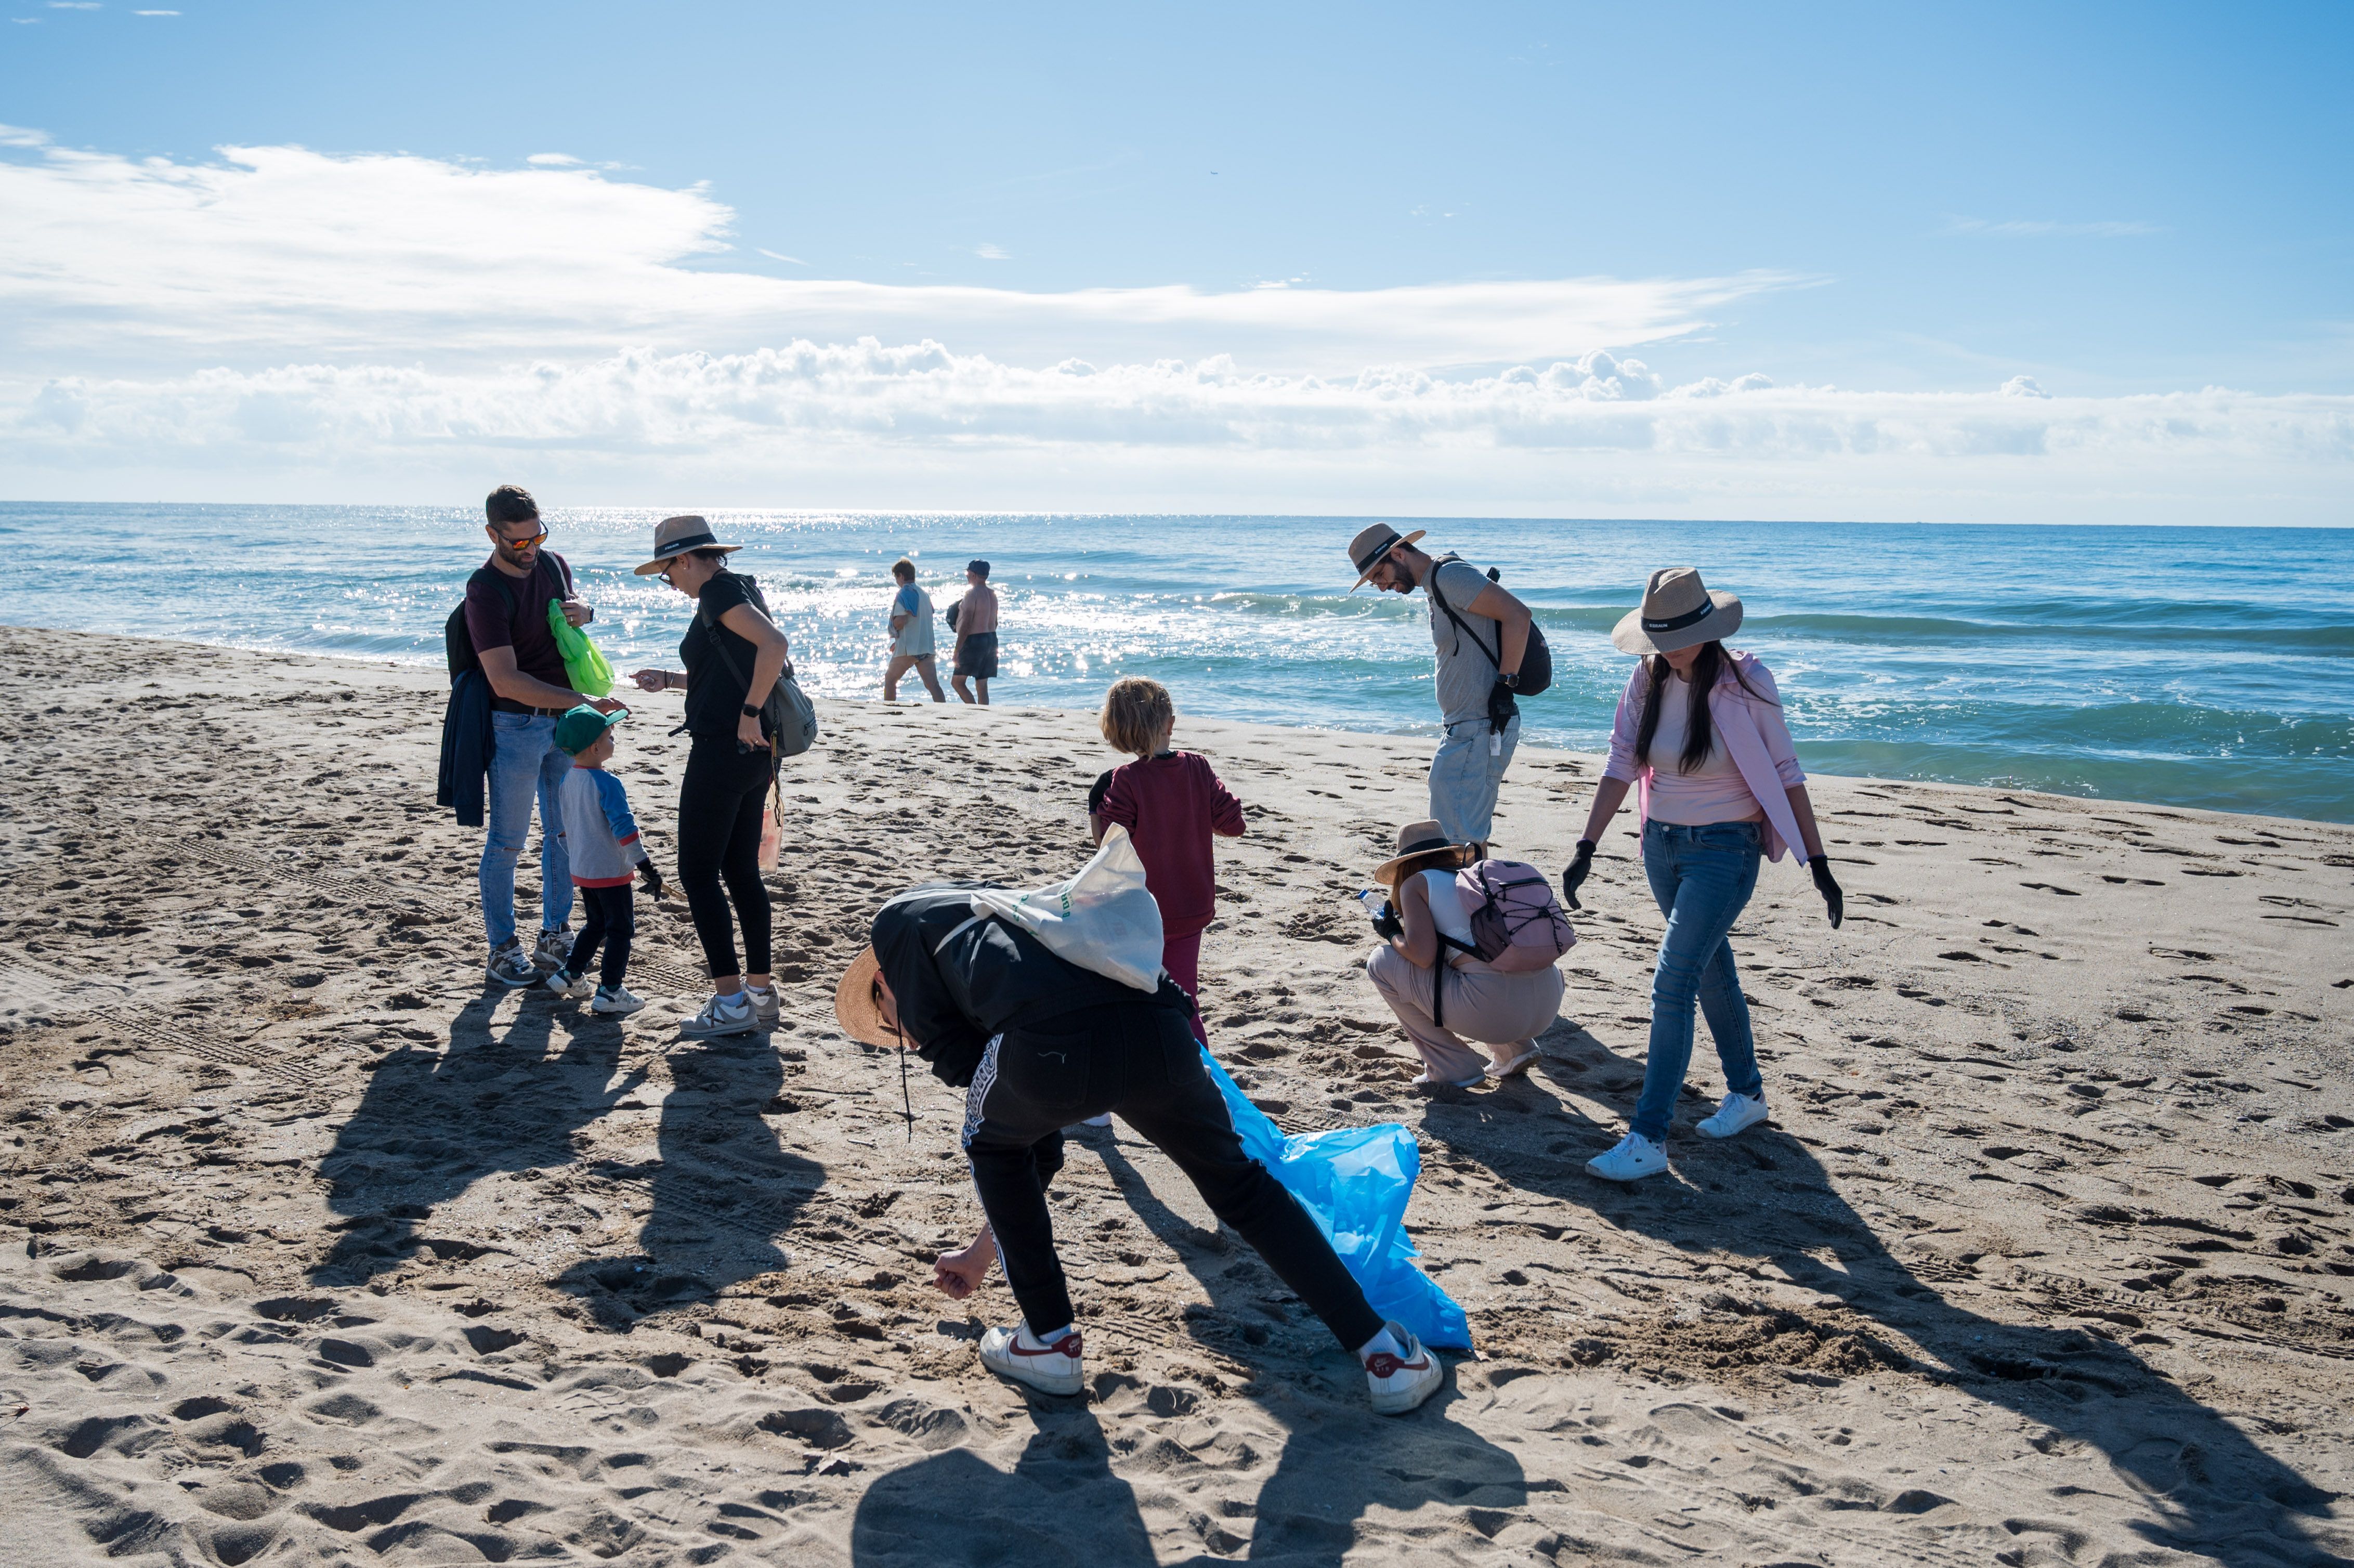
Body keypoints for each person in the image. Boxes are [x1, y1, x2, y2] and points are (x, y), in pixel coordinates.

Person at [834, 890, 1444, 1415]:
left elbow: (1002, 1121)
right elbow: (1037, 1145)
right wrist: (979, 1253)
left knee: (989, 1146)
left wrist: (957, 1062)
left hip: (1053, 1041)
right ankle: (1382, 1353)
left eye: (889, 1021)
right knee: (1240, 1186)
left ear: (885, 982)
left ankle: (1047, 1340)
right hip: (1160, 1031)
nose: (900, 1033)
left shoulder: (897, 924)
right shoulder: (1008, 931)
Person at [1564, 568, 1845, 1183]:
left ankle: (1648, 1136)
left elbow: (1787, 772)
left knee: (1672, 983)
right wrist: (1587, 844)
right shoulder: (1647, 679)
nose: (1666, 649)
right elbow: (1620, 761)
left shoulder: (1746, 681)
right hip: (1661, 846)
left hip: (1725, 849)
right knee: (1710, 972)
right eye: (1656, 637)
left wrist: (1817, 862)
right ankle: (1746, 1095)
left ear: (1706, 629)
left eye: (1676, 636)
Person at [626, 516, 793, 1039]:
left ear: (684, 560)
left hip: (726, 746)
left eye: (667, 572)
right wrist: (674, 680)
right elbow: (736, 662)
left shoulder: (717, 592)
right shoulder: (738, 587)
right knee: (740, 870)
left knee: (698, 874)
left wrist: (748, 711)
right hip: (752, 752)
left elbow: (774, 645)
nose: (669, 583)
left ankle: (730, 1001)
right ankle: (760, 995)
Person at [464, 484, 622, 987]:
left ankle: (555, 932)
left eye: (538, 537)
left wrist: (587, 613)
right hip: (513, 725)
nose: (530, 550)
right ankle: (502, 949)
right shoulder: (485, 591)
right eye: (518, 543)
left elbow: (571, 620)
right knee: (508, 842)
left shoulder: (552, 564)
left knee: (564, 833)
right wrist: (582, 702)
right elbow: (504, 680)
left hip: (562, 723)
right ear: (492, 534)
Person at [1345, 526, 1534, 852]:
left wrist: (1506, 685)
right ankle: (1476, 899)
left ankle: (1468, 901)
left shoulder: (1449, 576)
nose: (1383, 587)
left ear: (1399, 554)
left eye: (1380, 575)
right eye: (1375, 583)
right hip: (1470, 726)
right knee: (1467, 835)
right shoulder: (1436, 584)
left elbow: (1518, 614)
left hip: (1479, 724)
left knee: (1454, 841)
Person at [1086, 677, 1245, 1045]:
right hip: (1192, 907)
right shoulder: (1198, 768)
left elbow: (1111, 851)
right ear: (1170, 724)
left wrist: (1096, 808)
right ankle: (1199, 1073)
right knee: (1183, 996)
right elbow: (1234, 826)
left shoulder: (1123, 781)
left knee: (1132, 990)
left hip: (1142, 910)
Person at [1363, 821, 1566, 1089]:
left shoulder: (1416, 884)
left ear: (1404, 866)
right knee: (1473, 959)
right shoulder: (1475, 880)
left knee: (1380, 962)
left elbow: (1423, 956)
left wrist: (1391, 932)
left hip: (1493, 1010)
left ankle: (1451, 1066)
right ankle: (1516, 1048)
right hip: (1548, 1004)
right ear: (1448, 853)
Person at [542, 704, 663, 1017]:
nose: (614, 741)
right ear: (595, 747)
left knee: (596, 924)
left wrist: (579, 861)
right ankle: (610, 991)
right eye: (611, 736)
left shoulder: (568, 779)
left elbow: (566, 830)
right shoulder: (607, 783)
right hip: (609, 871)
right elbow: (625, 830)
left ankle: (570, 974)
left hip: (582, 870)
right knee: (621, 930)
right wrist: (646, 867)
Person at [883, 558, 946, 702]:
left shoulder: (904, 594)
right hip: (927, 647)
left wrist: (894, 627)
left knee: (890, 679)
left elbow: (901, 621)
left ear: (901, 576)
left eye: (896, 577)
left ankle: (888, 710)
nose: (897, 581)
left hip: (910, 648)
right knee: (933, 685)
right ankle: (945, 713)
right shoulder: (924, 594)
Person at [949, 559, 999, 705]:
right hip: (991, 639)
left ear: (974, 575)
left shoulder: (972, 594)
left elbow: (967, 624)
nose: (966, 575)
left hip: (974, 641)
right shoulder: (993, 594)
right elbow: (995, 622)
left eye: (968, 573)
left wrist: (957, 650)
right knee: (982, 685)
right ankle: (983, 713)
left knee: (957, 682)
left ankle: (973, 709)